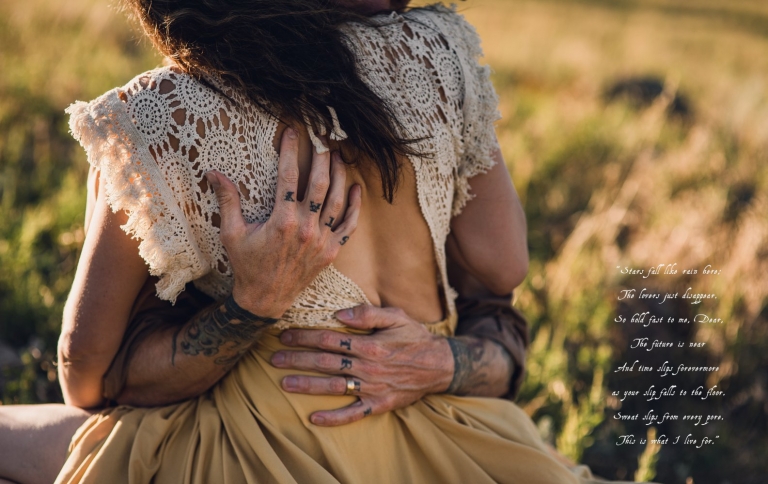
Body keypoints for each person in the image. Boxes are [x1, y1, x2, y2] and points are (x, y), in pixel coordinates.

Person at [2, 0, 634, 482]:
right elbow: (505, 263)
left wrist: (247, 307)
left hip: (260, 448)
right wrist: (441, 357)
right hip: (446, 430)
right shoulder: (439, 51)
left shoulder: (158, 117)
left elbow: (86, 379)